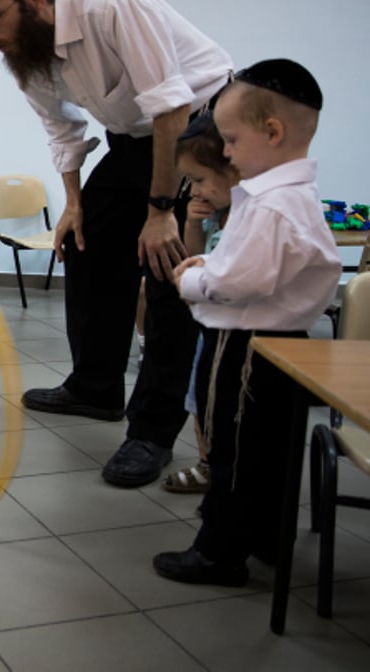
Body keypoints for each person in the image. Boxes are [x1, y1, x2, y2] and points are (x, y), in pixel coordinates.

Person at [0, 0, 232, 487]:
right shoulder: (29, 54)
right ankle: (95, 387)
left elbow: (170, 107)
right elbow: (61, 128)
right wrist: (73, 202)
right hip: (134, 137)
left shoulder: (109, 6)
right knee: (83, 243)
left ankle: (152, 432)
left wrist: (161, 211)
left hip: (199, 130)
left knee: (167, 273)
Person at [153, 58, 340, 585]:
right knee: (271, 446)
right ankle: (265, 536)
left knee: (231, 446)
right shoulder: (293, 198)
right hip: (283, 343)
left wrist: (193, 279)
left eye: (231, 140)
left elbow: (240, 281)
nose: (227, 152)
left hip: (244, 344)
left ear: (273, 132)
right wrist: (213, 263)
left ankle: (219, 551)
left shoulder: (271, 204)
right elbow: (258, 267)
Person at [162, 112, 240, 494]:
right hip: (206, 325)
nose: (196, 190)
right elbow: (190, 257)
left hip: (232, 329)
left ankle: (222, 467)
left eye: (200, 179)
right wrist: (192, 223)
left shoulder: (248, 219)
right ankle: (207, 462)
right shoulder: (213, 217)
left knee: (221, 402)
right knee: (198, 397)